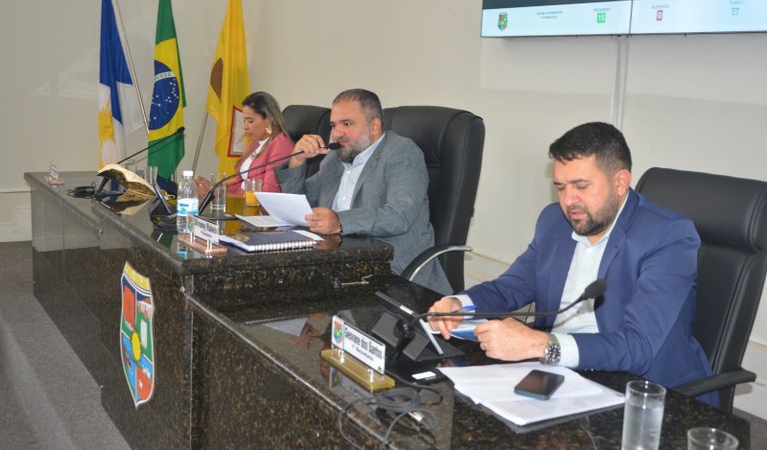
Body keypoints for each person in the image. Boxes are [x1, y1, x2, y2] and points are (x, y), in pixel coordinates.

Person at [427, 122, 717, 406]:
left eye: (581, 186)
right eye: (561, 187)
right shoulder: (554, 221)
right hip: (561, 374)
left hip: (644, 393)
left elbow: (638, 347)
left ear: (620, 182)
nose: (568, 201)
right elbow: (509, 288)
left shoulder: (667, 236)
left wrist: (540, 344)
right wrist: (459, 304)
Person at [276, 88, 452, 295]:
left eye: (347, 124)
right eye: (333, 125)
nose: (337, 133)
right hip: (338, 263)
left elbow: (398, 216)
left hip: (391, 272)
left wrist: (339, 222)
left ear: (374, 126)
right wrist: (297, 160)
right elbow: (301, 203)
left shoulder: (401, 152)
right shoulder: (336, 158)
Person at [196, 91, 294, 197]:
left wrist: (219, 194)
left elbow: (269, 193)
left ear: (269, 120)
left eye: (250, 121)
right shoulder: (254, 144)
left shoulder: (280, 144)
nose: (245, 127)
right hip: (242, 203)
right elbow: (238, 184)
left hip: (258, 207)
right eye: (244, 121)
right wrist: (213, 187)